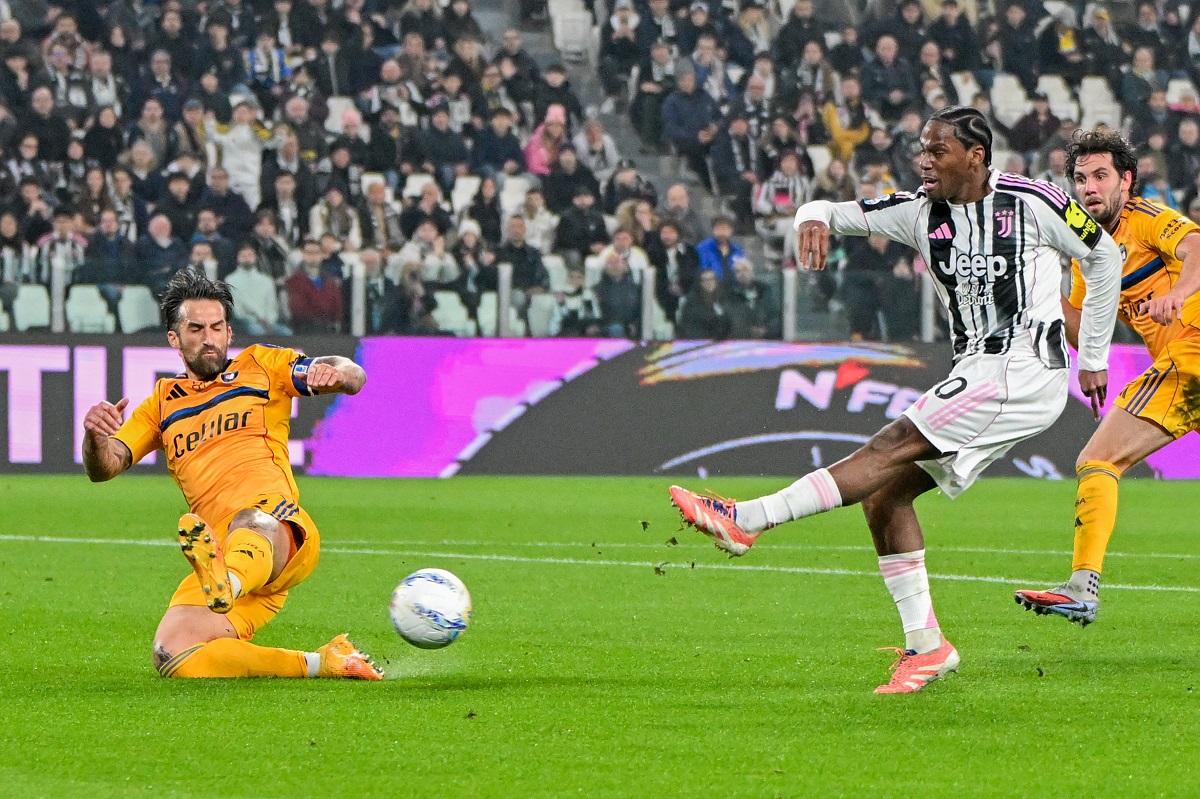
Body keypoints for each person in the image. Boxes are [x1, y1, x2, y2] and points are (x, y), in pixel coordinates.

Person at [668, 107, 1123, 694]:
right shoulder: (919, 212)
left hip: (1022, 367)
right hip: (981, 368)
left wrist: (1093, 356)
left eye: (937, 152)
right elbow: (834, 210)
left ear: (975, 156)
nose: (923, 161)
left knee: (891, 443)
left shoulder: (1033, 203)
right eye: (921, 150)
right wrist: (810, 215)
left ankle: (748, 519)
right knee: (885, 495)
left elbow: (1104, 257)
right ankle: (928, 647)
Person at [81, 269, 380, 681]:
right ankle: (324, 662)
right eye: (197, 328)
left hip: (279, 532)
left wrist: (338, 373)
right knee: (173, 654)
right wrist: (95, 437)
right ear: (174, 338)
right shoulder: (162, 404)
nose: (210, 337)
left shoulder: (260, 366)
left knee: (250, 519)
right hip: (217, 557)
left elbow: (352, 372)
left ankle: (231, 583)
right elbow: (105, 466)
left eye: (218, 327)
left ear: (228, 331)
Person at [1014, 128, 1200, 625]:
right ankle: (1082, 587)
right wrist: (1035, 289)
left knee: (1099, 458)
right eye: (1080, 178)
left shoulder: (1145, 220)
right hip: (1183, 369)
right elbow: (1081, 325)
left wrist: (1179, 292)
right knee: (1098, 460)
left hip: (1193, 351)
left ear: (1126, 181)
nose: (1090, 187)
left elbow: (1198, 249)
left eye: (1101, 176)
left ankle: (1082, 586)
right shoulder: (1087, 249)